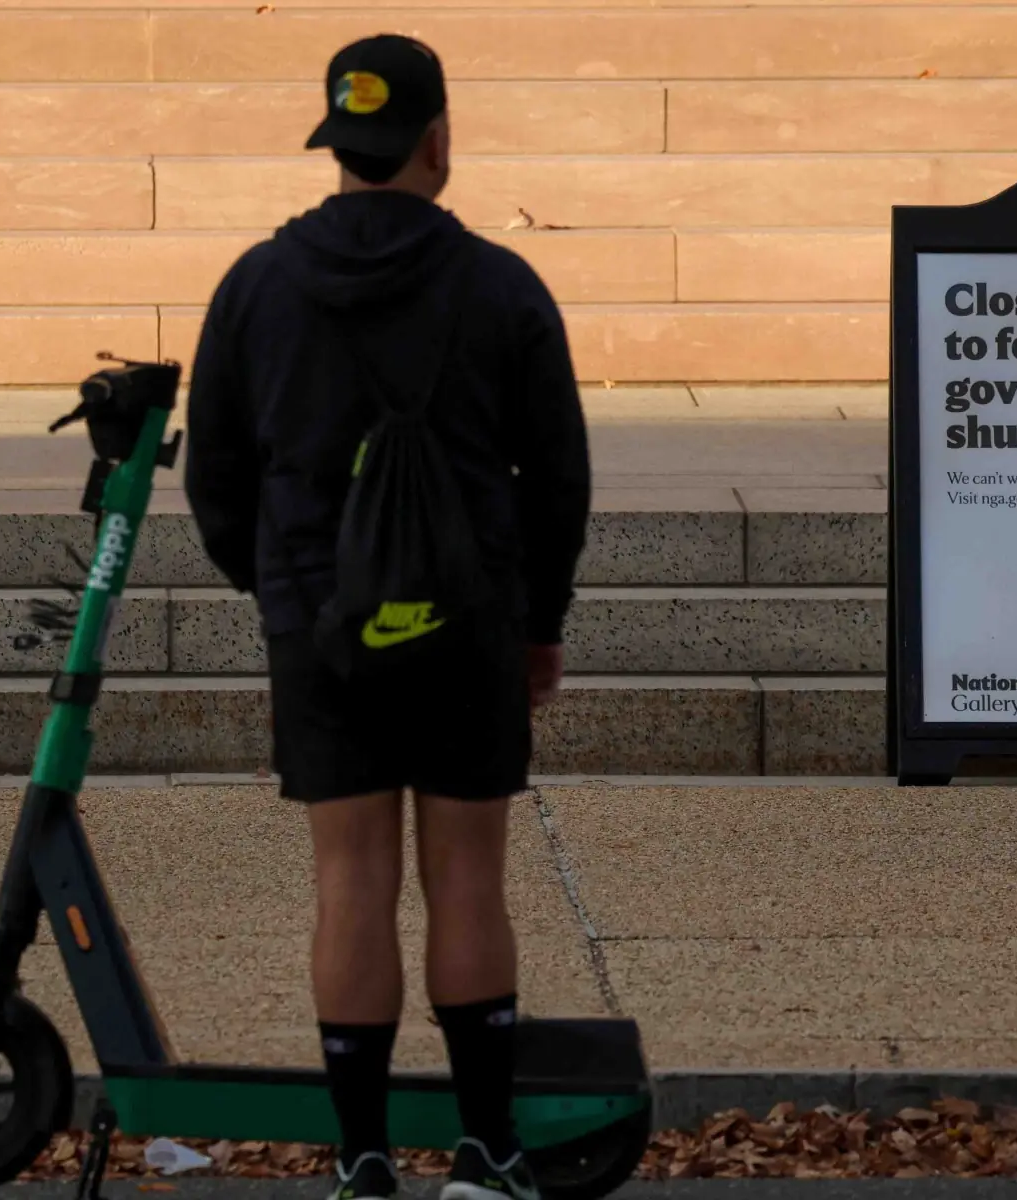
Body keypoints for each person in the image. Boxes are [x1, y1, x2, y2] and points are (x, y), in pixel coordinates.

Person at [181, 32, 592, 1200]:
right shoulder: (502, 287)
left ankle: (361, 1162)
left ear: (338, 143)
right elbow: (558, 476)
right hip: (468, 629)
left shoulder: (257, 286)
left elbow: (215, 476)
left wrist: (282, 599)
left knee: (348, 880)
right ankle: (483, 1150)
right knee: (468, 879)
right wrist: (537, 621)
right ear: (436, 142)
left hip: (322, 629)